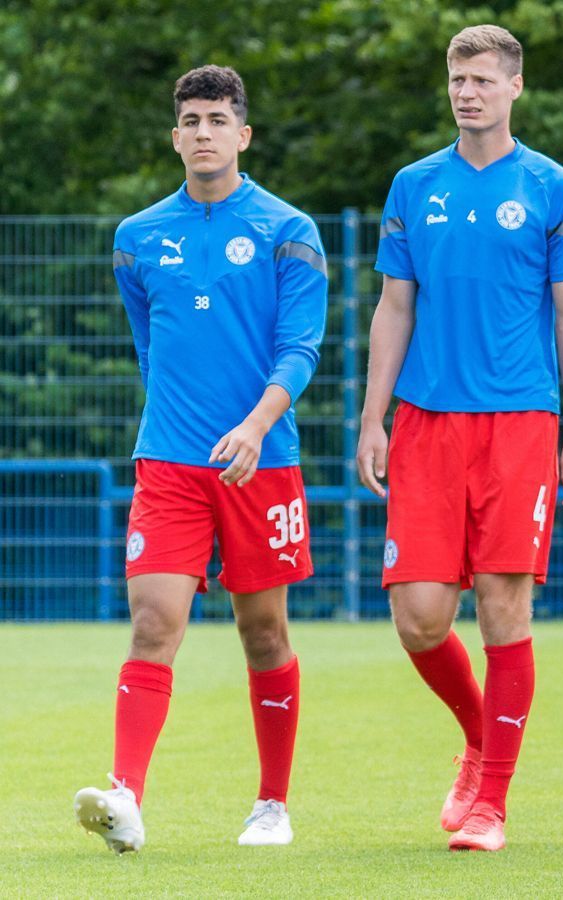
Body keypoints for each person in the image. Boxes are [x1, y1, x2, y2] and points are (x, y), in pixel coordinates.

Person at [357, 24, 563, 852]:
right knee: (420, 616)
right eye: (458, 78)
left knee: (503, 605)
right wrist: (372, 417)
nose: (468, 91)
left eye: (484, 79)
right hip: (426, 422)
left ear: (515, 87)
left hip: (520, 423)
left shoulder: (554, 188)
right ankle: (477, 735)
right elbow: (395, 307)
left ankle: (492, 802)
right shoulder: (412, 185)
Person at [75, 64, 327, 852]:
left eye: (219, 119)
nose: (204, 132)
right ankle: (126, 799)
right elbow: (151, 350)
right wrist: (181, 428)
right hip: (171, 465)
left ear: (243, 135)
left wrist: (254, 426)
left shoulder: (290, 231)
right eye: (191, 120)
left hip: (265, 463)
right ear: (174, 135)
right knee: (154, 624)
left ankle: (272, 805)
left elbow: (301, 349)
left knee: (263, 633)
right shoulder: (138, 238)